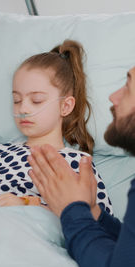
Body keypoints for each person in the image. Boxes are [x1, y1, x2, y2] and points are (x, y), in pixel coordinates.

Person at [0, 40, 112, 214]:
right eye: (17, 100)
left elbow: (97, 227)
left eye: (36, 100)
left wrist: (28, 205)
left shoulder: (78, 164)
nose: (23, 109)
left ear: (65, 106)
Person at [28, 67, 135, 267]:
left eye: (128, 87)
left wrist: (72, 210)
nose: (113, 97)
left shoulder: (79, 160)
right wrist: (93, 213)